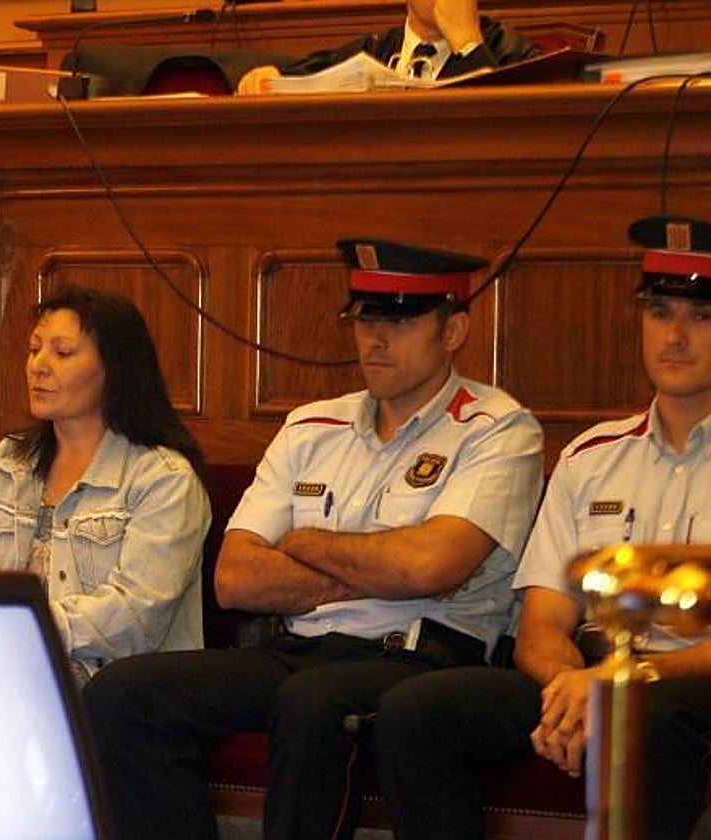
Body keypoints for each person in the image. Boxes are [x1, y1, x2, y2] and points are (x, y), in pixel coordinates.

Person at [83, 240, 544, 840]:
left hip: (420, 657)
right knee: (123, 693)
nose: (375, 340)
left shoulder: (496, 428)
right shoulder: (311, 426)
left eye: (401, 322)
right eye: (366, 321)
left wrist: (302, 543)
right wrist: (381, 564)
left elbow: (430, 566)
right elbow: (235, 580)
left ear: (453, 331)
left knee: (312, 702)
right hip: (299, 648)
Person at [376, 215, 711, 840]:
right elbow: (540, 625)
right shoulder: (592, 457)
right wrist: (571, 686)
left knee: (651, 722)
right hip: (589, 668)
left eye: (702, 317)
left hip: (689, 682)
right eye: (660, 312)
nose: (675, 336)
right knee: (417, 711)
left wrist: (618, 684)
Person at [0, 284, 211, 684]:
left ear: (115, 368)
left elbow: (136, 618)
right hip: (4, 668)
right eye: (34, 349)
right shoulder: (1, 466)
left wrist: (21, 627)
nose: (38, 366)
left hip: (119, 690)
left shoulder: (164, 480)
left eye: (63, 352)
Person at [236, 0, 539, 94]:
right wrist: (266, 79)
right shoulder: (373, 50)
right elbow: (299, 79)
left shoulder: (515, 55)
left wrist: (469, 44)